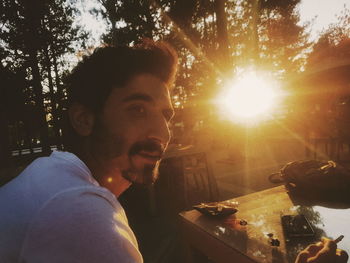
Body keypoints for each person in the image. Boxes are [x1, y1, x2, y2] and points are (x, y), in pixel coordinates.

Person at [0, 39, 347, 263]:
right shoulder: (76, 209)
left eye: (165, 114)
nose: (161, 132)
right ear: (84, 119)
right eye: (137, 109)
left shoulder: (50, 174)